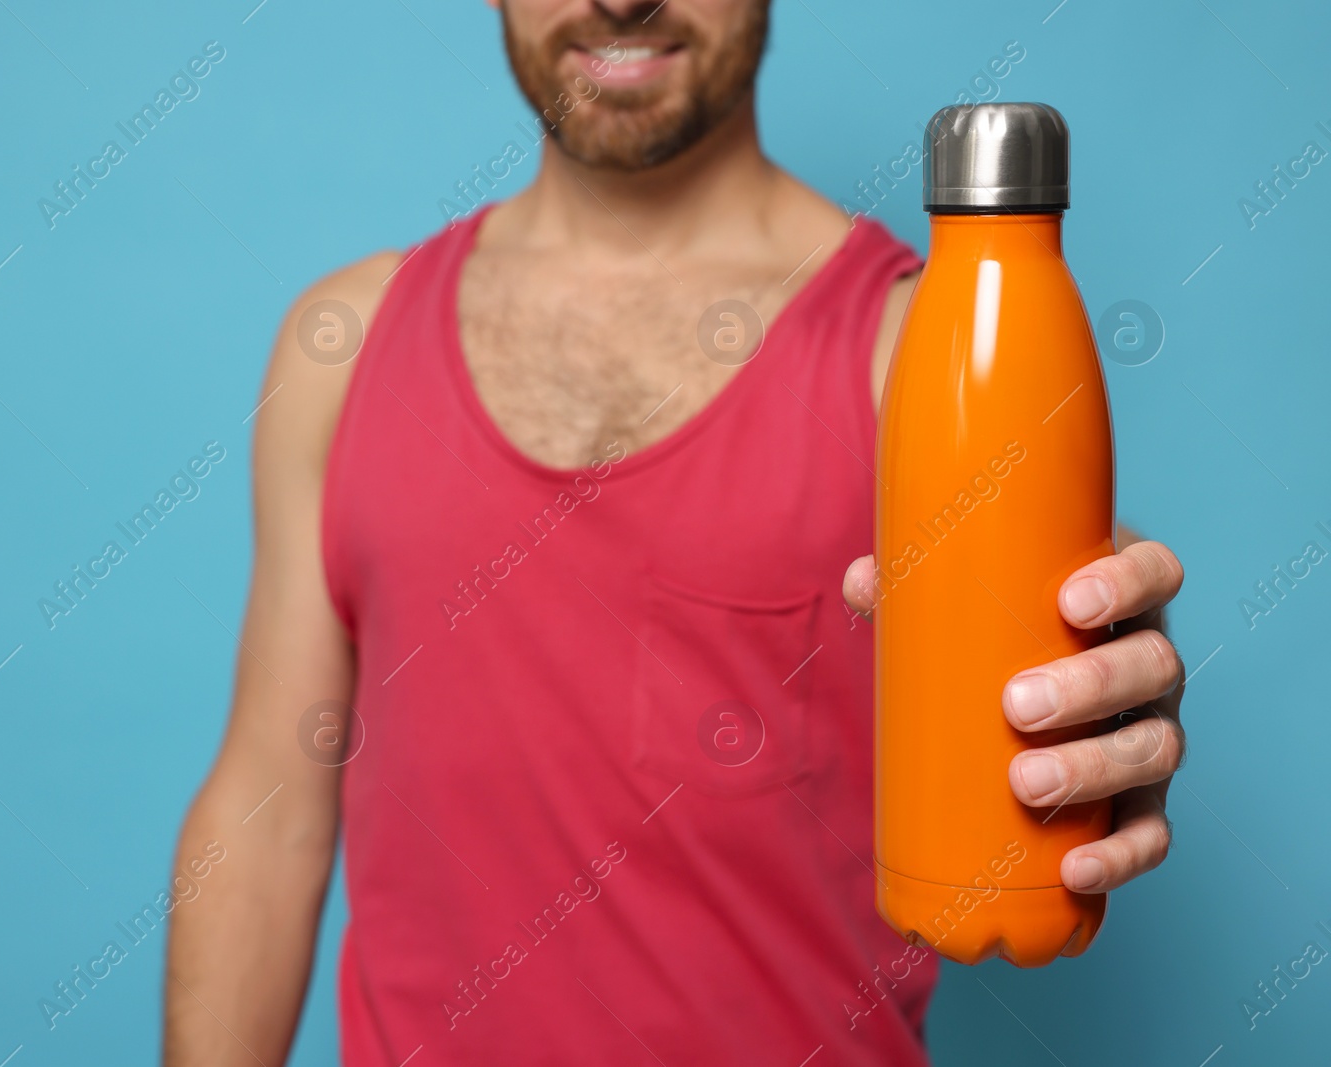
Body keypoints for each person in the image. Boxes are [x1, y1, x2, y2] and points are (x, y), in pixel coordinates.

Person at [163, 1, 1187, 1063]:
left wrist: (1099, 699)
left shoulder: (915, 353)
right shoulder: (344, 345)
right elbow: (267, 810)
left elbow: (1062, 639)